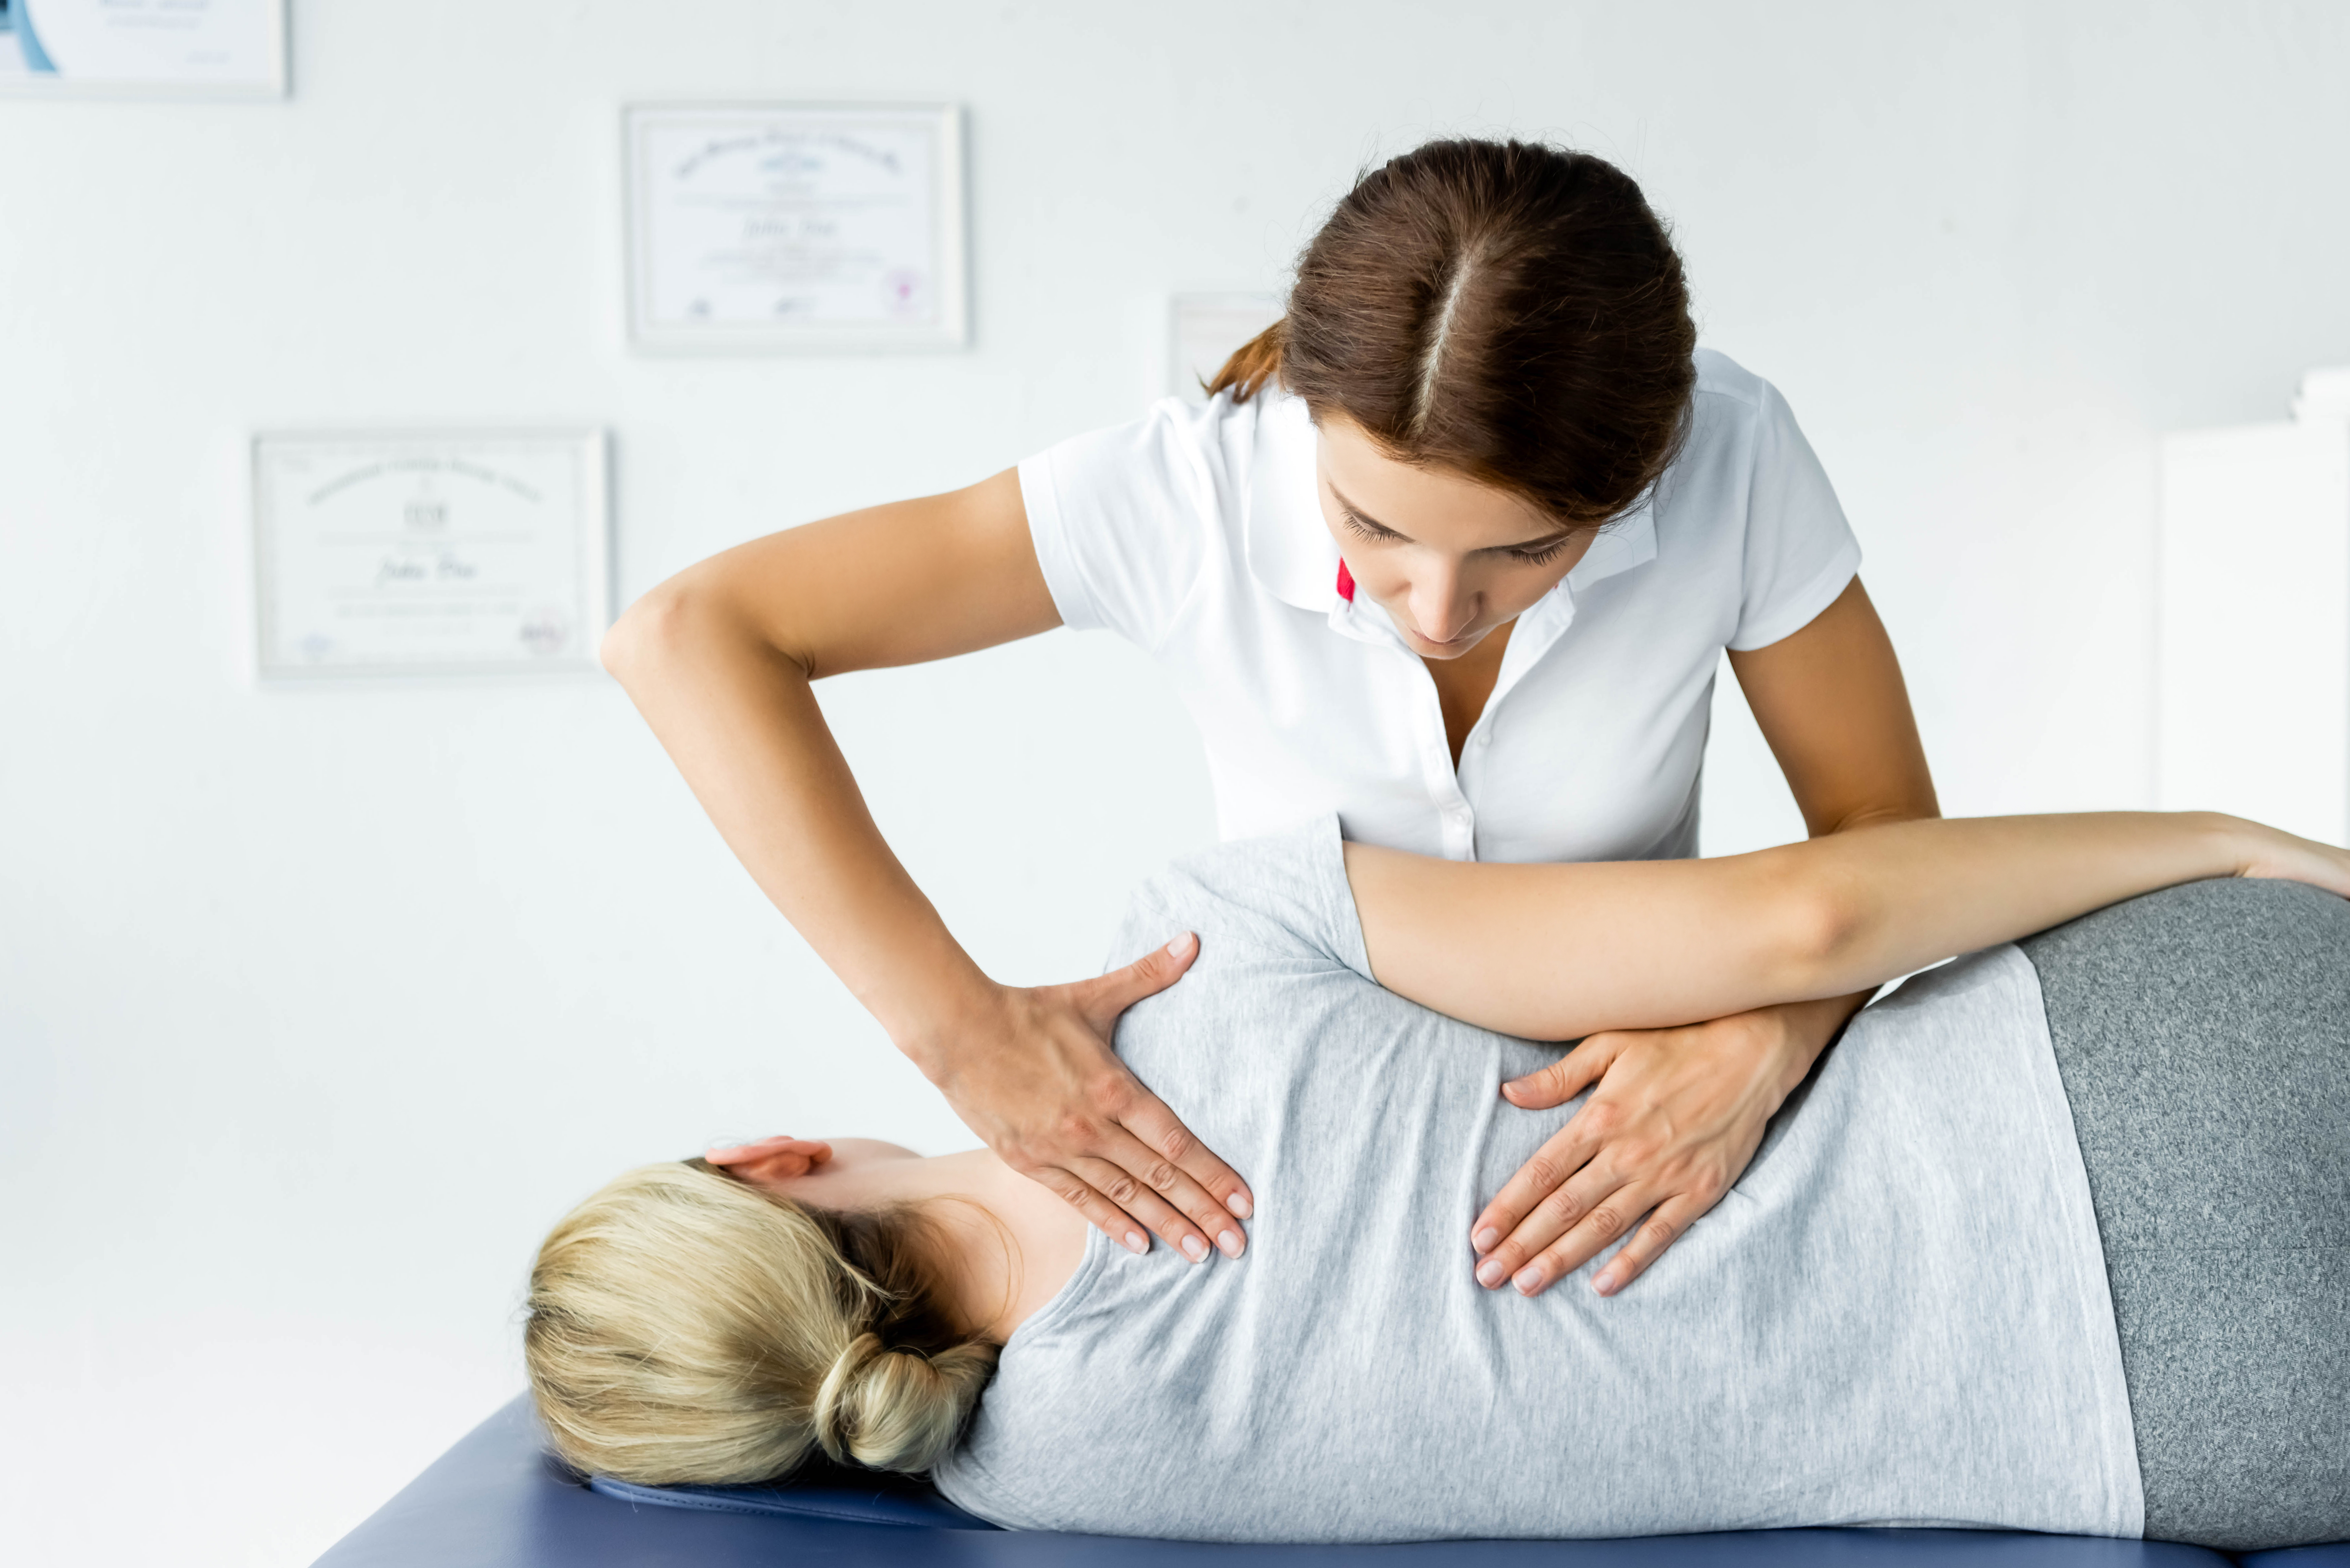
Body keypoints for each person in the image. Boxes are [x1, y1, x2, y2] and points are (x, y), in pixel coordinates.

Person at [600, 137, 1941, 1295]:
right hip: (1288, 1161)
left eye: (1526, 555)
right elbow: (689, 635)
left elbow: (1881, 826)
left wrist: (1762, 1042)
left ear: (1642, 473)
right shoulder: (1183, 492)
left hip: (1648, 1139)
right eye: (1374, 528)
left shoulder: (1736, 455)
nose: (1434, 609)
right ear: (1309, 407)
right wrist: (960, 1034)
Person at [524, 809, 2350, 1551]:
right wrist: (2216, 833)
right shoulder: (1209, 953)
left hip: (2203, 1431)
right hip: (2150, 1062)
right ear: (764, 1159)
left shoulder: (1052, 1485)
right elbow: (1810, 918)